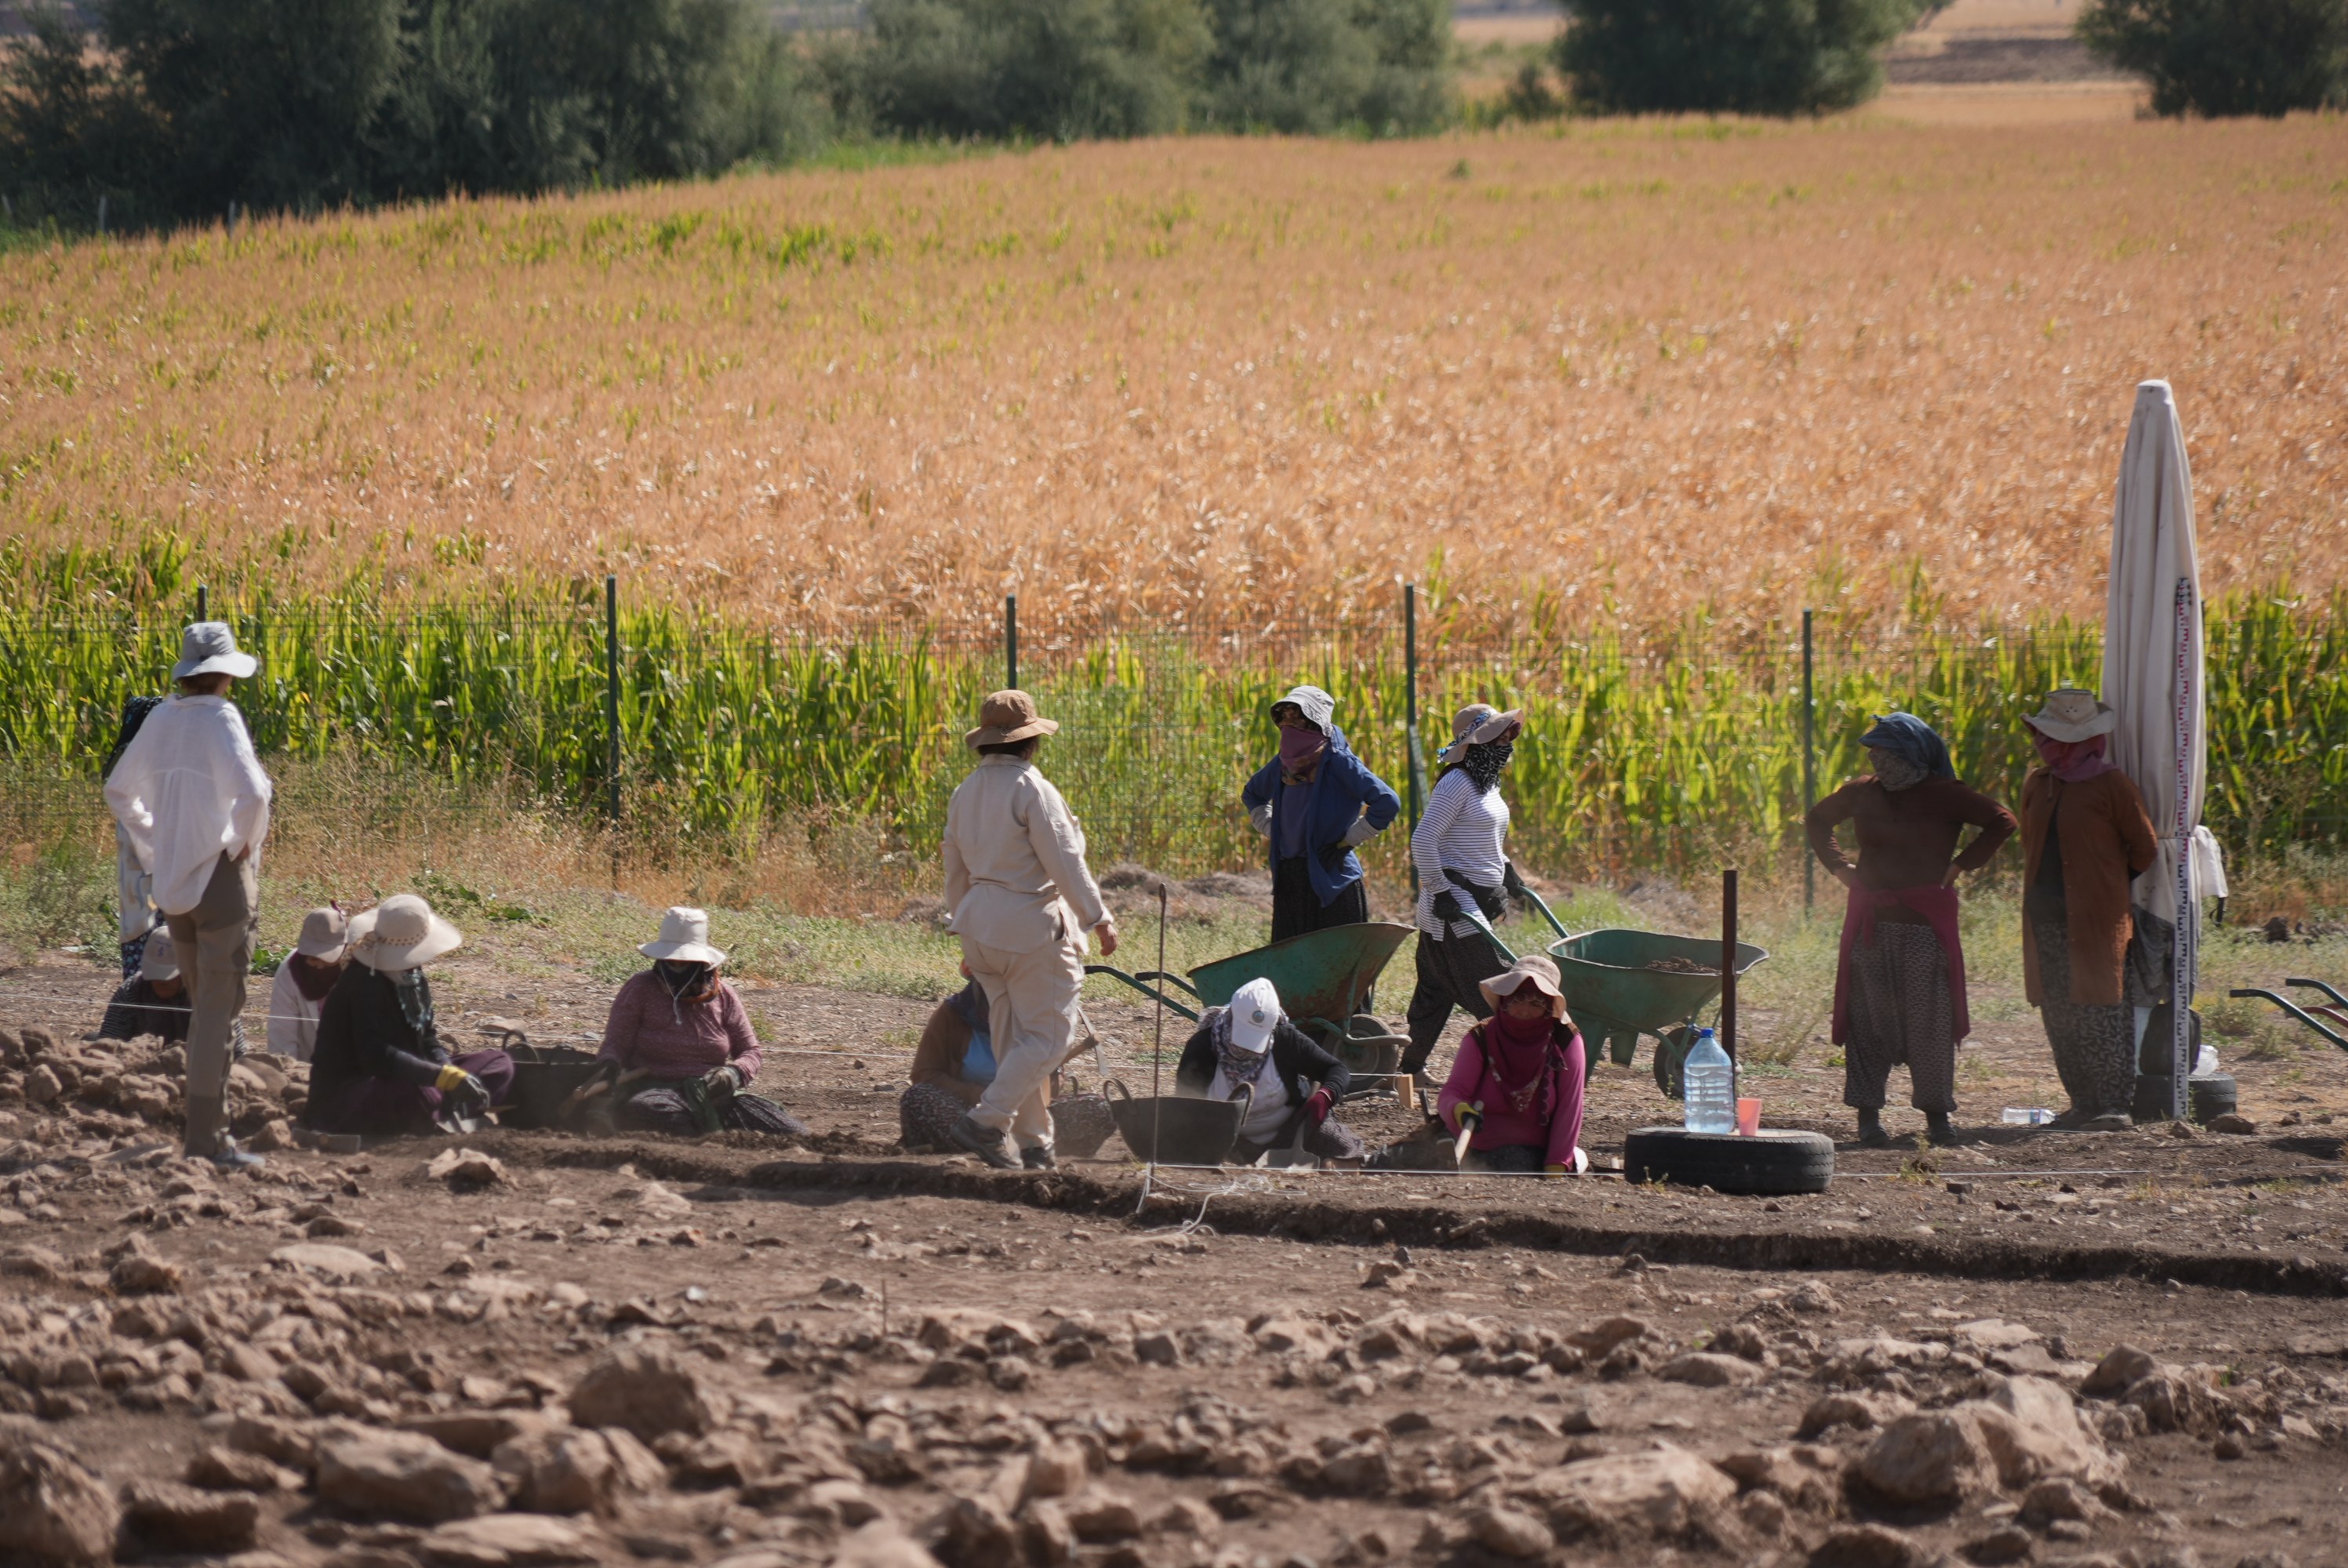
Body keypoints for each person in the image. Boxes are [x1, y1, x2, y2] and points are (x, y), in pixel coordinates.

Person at [104, 622, 274, 1170]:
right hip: (219, 883)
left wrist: (155, 845)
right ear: (224, 674)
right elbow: (253, 793)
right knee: (216, 1019)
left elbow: (118, 789)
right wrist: (241, 844)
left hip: (173, 889)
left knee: (205, 1012)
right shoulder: (222, 718)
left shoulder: (161, 717)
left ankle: (207, 1133)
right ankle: (207, 1140)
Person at [1806, 713, 2016, 1148]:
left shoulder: (1945, 795)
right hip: (1872, 923)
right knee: (1866, 1018)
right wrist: (1839, 867)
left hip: (1923, 924)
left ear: (1913, 757)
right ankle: (1869, 1118)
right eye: (1874, 753)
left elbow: (2003, 821)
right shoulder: (1863, 792)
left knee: (1929, 1019)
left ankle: (1937, 1118)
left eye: (1888, 753)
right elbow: (1818, 819)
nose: (1878, 761)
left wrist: (1961, 865)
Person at [940, 689, 1118, 1171]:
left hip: (981, 928)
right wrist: (1096, 916)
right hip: (1031, 929)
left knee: (1013, 1041)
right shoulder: (1032, 789)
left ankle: (1035, 1145)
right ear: (1030, 742)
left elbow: (954, 870)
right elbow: (1065, 861)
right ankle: (985, 1122)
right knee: (1050, 1038)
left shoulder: (964, 792)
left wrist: (964, 929)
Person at [2019, 689, 2159, 1132]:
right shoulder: (2038, 783)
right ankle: (2080, 1102)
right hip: (2045, 917)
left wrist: (2106, 887)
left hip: (2098, 921)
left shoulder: (2111, 784)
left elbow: (2144, 847)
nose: (2044, 744)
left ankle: (2113, 1105)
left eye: (2053, 737)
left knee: (2100, 1009)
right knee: (2059, 1012)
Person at [583, 907, 808, 1138]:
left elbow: (751, 1051)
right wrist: (609, 1065)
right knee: (647, 1110)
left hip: (714, 1096)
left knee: (793, 1132)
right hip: (657, 1092)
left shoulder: (724, 995)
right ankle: (711, 1145)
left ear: (702, 963)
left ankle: (711, 1135)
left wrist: (733, 1074)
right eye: (670, 961)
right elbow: (615, 1044)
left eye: (684, 962)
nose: (676, 968)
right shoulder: (640, 988)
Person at [1400, 703, 1528, 1103]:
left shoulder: (1486, 782)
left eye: (1510, 733)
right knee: (1496, 986)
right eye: (1500, 735)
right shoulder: (1456, 782)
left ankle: (1407, 1070)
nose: (1508, 741)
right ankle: (1514, 1075)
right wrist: (1439, 890)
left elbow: (1481, 838)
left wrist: (1508, 871)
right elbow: (1423, 840)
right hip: (1455, 905)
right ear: (1479, 742)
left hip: (1468, 903)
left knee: (1435, 990)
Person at [307, 894, 514, 1136]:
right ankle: (445, 1112)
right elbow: (377, 1058)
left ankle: (442, 1111)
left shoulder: (412, 977)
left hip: (414, 1076)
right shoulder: (362, 983)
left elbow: (428, 1040)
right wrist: (441, 1078)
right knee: (418, 1095)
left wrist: (451, 1073)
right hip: (355, 1091)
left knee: (500, 1064)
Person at [900, 964, 1116, 1158]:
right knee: (917, 1098)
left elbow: (1051, 1090)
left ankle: (1015, 1148)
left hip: (1026, 1119)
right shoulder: (952, 1015)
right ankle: (989, 1148)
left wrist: (1035, 1088)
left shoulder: (1036, 1020)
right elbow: (924, 1075)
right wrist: (983, 1096)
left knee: (1097, 1108)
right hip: (967, 1116)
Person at [1240, 685, 1401, 942]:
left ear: (1315, 723)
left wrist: (1349, 840)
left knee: (1339, 965)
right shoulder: (1283, 763)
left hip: (1332, 877)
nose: (1289, 725)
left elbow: (1387, 802)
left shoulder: (1338, 761)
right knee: (1292, 966)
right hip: (1291, 879)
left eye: (1298, 718)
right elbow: (1253, 794)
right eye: (1285, 718)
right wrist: (1272, 828)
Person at [1175, 977, 1365, 1167]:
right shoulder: (1202, 1047)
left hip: (1292, 1132)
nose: (1248, 1049)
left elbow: (1337, 1070)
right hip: (1229, 1143)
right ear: (1232, 1017)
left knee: (1341, 1152)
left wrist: (1324, 1097)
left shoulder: (1285, 1039)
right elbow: (1184, 1106)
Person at [1436, 954, 1587, 1174]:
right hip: (1469, 1145)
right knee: (1399, 1159)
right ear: (1505, 999)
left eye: (1536, 1003)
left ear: (1549, 1008)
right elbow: (1453, 1091)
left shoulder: (1566, 1042)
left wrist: (1556, 1164)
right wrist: (1458, 1109)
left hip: (1529, 1152)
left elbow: (1570, 1110)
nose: (1525, 1011)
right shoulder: (1481, 1037)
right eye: (1518, 999)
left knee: (1509, 1164)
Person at [104, 695, 167, 979]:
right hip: (158, 898)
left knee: (141, 982)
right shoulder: (152, 775)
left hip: (137, 904)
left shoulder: (127, 771)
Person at [267, 906, 351, 1062]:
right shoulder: (290, 972)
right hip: (308, 1066)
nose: (319, 966)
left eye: (327, 960)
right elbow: (281, 1033)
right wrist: (288, 1074)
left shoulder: (358, 970)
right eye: (313, 959)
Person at [94, 927, 191, 1046]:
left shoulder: (203, 994)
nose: (160, 980)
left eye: (168, 974)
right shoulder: (130, 990)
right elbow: (108, 1043)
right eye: (155, 972)